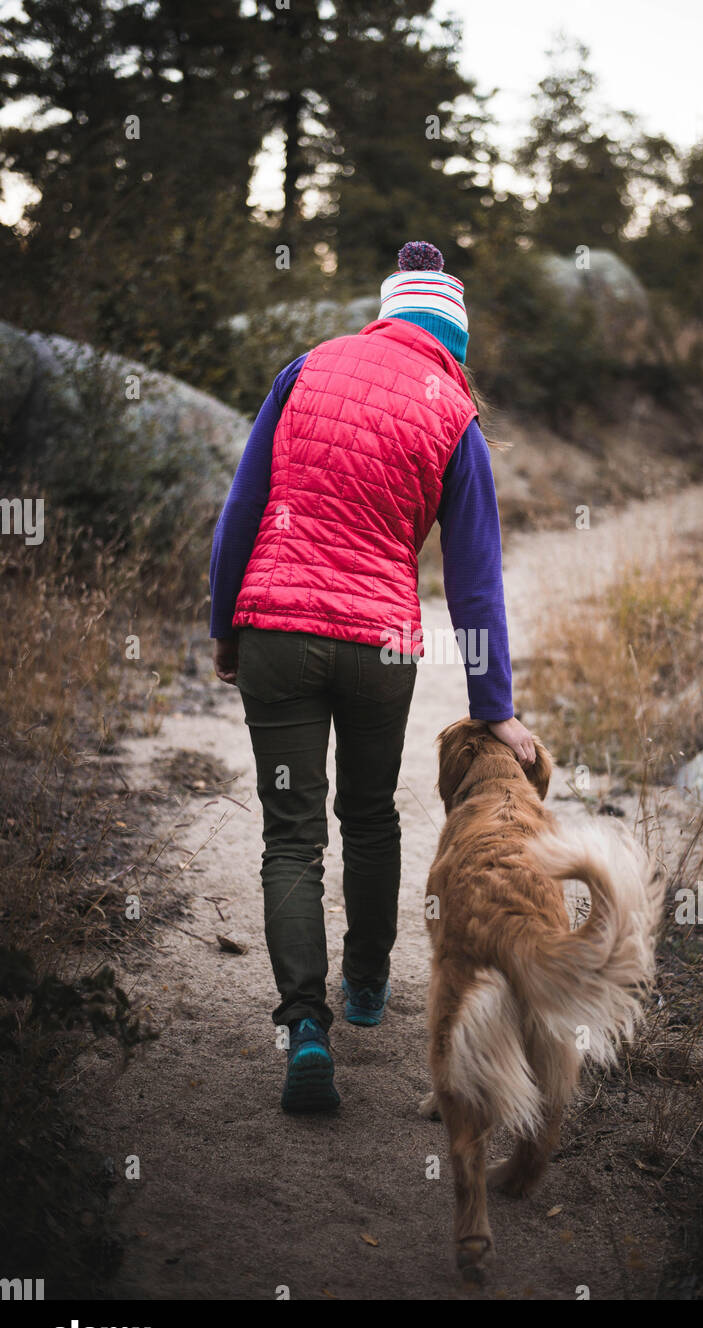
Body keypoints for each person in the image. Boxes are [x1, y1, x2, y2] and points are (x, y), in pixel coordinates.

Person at [209, 240, 534, 1113]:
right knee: (368, 815)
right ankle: (363, 988)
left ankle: (303, 1026)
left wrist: (226, 630)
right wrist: (492, 706)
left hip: (275, 627)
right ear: (452, 341)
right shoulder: (454, 413)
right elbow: (474, 580)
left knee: (290, 835)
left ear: (388, 312)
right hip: (381, 645)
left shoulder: (306, 368)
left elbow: (239, 511)